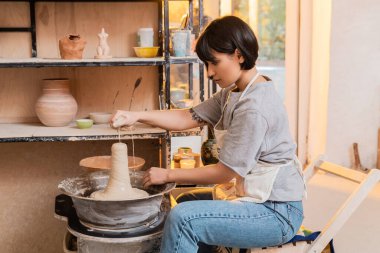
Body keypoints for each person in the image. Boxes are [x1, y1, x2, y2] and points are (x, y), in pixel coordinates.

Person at [111, 15, 306, 253]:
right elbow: (186, 117)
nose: (209, 73)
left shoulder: (254, 107)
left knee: (184, 218)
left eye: (214, 63)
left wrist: (168, 174)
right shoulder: (235, 91)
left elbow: (225, 173)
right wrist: (136, 116)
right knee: (186, 201)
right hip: (258, 198)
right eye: (206, 64)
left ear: (239, 55)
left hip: (275, 213)